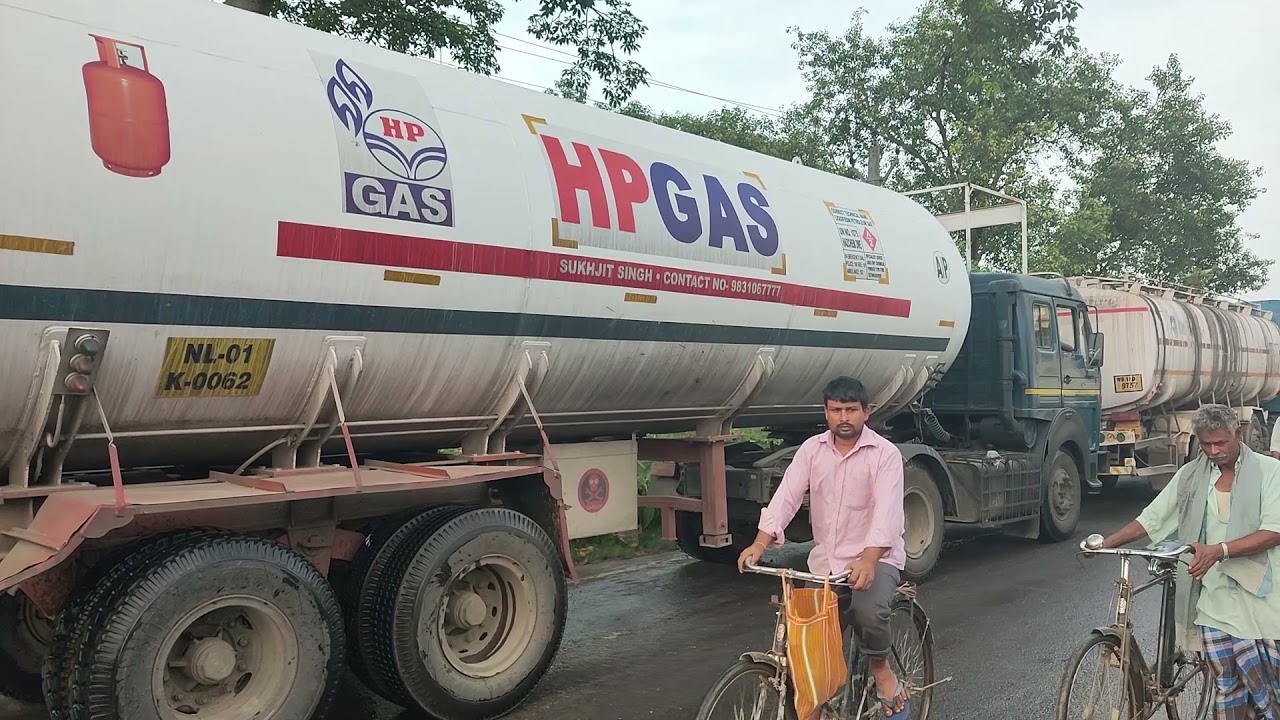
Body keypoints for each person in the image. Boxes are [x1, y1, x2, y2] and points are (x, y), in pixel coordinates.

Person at [737, 375, 909, 720]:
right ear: (826, 412)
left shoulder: (885, 455)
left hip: (876, 557)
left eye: (851, 410)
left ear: (866, 412)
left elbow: (887, 513)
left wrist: (869, 560)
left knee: (868, 612)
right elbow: (786, 497)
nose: (844, 417)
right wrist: (759, 543)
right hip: (827, 562)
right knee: (808, 643)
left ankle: (880, 668)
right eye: (836, 410)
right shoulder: (811, 450)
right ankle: (813, 706)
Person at [1097, 404, 1280, 719]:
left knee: (1269, 688)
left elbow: (1274, 531)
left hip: (1262, 597)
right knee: (1226, 684)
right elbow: (1154, 518)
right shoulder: (1190, 475)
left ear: (1238, 434)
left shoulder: (1270, 471)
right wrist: (1106, 543)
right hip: (1213, 598)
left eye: (1220, 443)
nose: (1213, 451)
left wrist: (1218, 550)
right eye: (1206, 444)